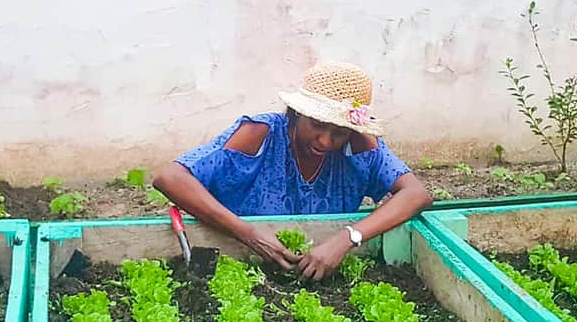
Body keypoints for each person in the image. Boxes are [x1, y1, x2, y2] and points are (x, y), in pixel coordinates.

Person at [154, 61, 433, 281]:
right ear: (296, 114)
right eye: (318, 125)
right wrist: (249, 234)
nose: (326, 141)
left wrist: (346, 238)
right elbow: (170, 178)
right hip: (238, 256)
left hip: (318, 268)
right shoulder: (258, 134)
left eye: (339, 132)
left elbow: (416, 194)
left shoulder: (361, 147)